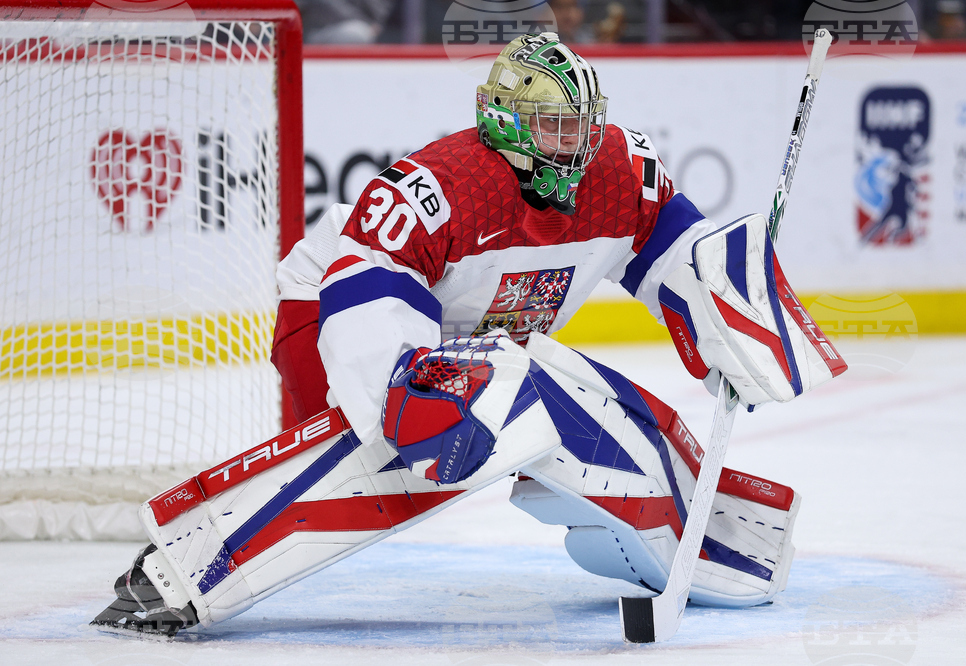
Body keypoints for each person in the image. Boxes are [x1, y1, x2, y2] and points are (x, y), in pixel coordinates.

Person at [91, 33, 843, 637]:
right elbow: (365, 288)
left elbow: (679, 256)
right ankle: (182, 571)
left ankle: (709, 543)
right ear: (507, 125)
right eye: (554, 127)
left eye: (583, 125)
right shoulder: (445, 185)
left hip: (477, 345)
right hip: (326, 317)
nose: (575, 145)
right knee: (461, 416)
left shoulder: (621, 172)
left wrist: (729, 315)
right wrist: (403, 386)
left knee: (557, 398)